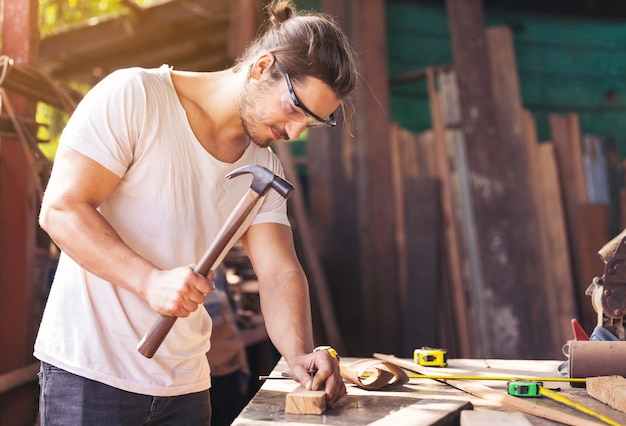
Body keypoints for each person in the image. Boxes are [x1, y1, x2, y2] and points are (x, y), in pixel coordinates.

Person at [34, 0, 358, 424]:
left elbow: (278, 272)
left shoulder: (263, 165)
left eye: (312, 123)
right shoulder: (135, 97)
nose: (295, 133)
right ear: (262, 67)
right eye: (295, 108)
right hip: (90, 375)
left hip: (186, 387)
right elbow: (61, 210)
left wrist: (298, 353)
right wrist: (149, 281)